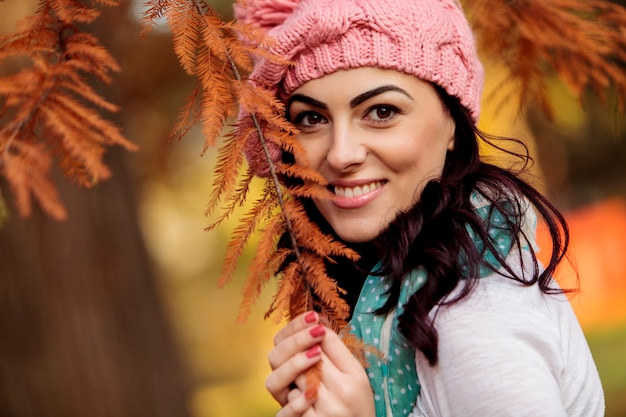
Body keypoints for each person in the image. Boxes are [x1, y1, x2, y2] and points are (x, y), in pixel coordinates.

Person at [235, 0, 605, 415]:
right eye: (311, 120)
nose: (340, 155)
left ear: (452, 121)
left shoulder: (472, 315)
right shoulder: (404, 286)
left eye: (381, 111)